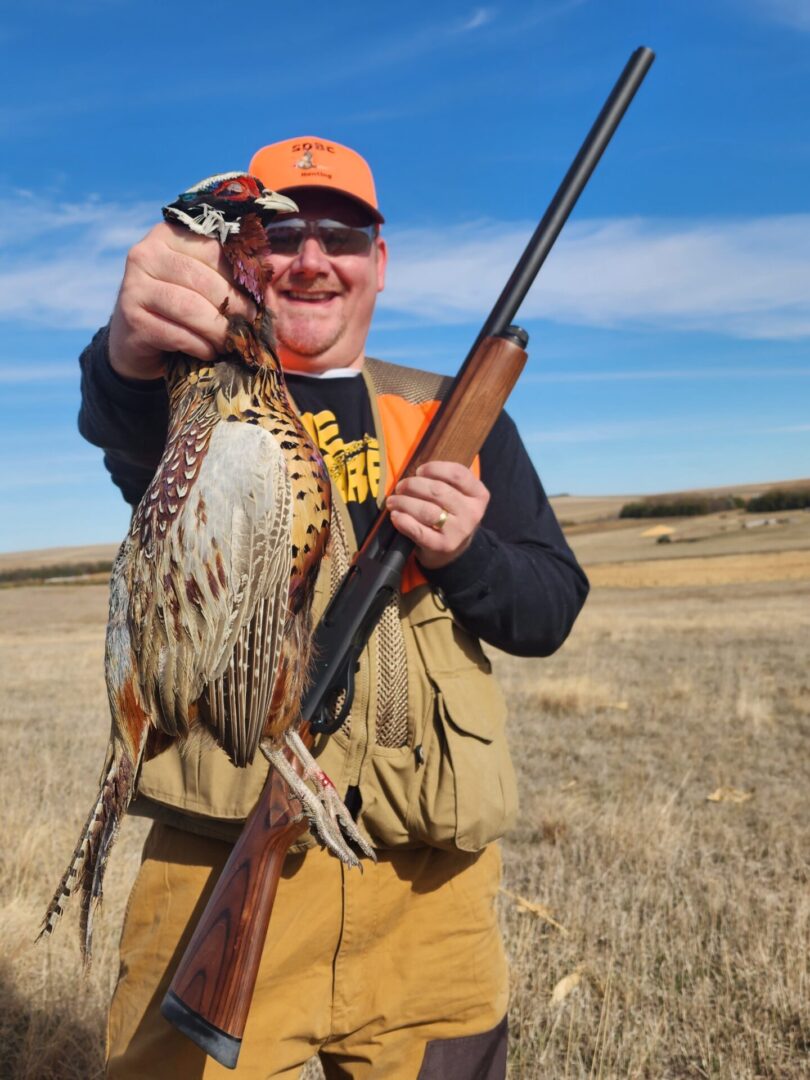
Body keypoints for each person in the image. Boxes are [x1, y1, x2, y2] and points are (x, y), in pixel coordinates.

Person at [78, 135, 589, 1078]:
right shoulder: (203, 403)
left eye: (344, 235)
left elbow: (551, 607)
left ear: (379, 264)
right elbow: (123, 415)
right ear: (241, 252)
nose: (313, 258)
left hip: (433, 900)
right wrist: (126, 347)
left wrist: (468, 555)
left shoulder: (453, 417)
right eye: (282, 230)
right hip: (215, 874)